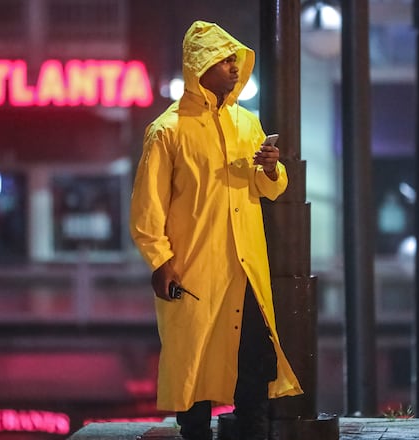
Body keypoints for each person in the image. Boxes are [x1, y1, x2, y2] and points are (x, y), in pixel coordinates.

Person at [129, 20, 303, 440]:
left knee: (255, 372)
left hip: (245, 271)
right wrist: (160, 262)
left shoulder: (247, 123)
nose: (234, 68)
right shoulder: (168, 131)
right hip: (194, 273)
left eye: (235, 60)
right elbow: (146, 208)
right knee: (195, 379)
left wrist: (270, 167)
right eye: (224, 60)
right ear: (198, 65)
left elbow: (269, 188)